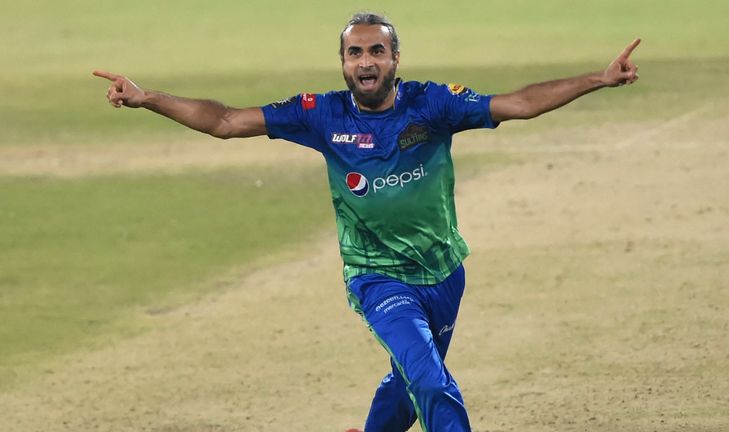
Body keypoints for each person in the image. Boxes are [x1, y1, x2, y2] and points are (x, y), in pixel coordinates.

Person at [94, 12, 639, 432]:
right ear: (343, 63)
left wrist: (600, 78)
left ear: (396, 58)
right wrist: (149, 99)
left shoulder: (434, 105)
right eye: (355, 53)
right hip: (377, 276)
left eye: (376, 51)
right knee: (427, 376)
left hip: (445, 271)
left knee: (407, 385)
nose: (366, 62)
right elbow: (227, 121)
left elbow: (519, 103)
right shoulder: (321, 113)